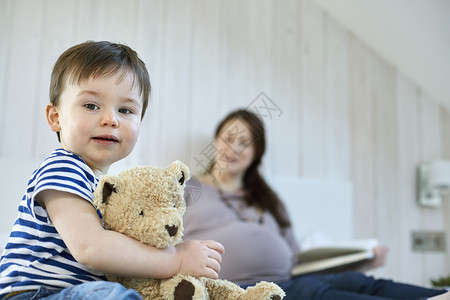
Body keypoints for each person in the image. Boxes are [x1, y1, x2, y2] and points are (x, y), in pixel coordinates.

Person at [0, 41, 224, 300]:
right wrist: (176, 259)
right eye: (91, 105)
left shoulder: (108, 189)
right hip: (33, 294)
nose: (111, 119)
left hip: (77, 292)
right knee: (112, 295)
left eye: (125, 110)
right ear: (55, 117)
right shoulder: (62, 167)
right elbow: (90, 247)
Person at [183, 109, 449, 300]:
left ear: (256, 154)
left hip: (292, 279)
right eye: (229, 138)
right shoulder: (188, 187)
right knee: (317, 293)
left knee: (360, 281)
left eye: (245, 143)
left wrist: (359, 261)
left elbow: (299, 259)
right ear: (216, 140)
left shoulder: (269, 199)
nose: (234, 149)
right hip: (241, 288)